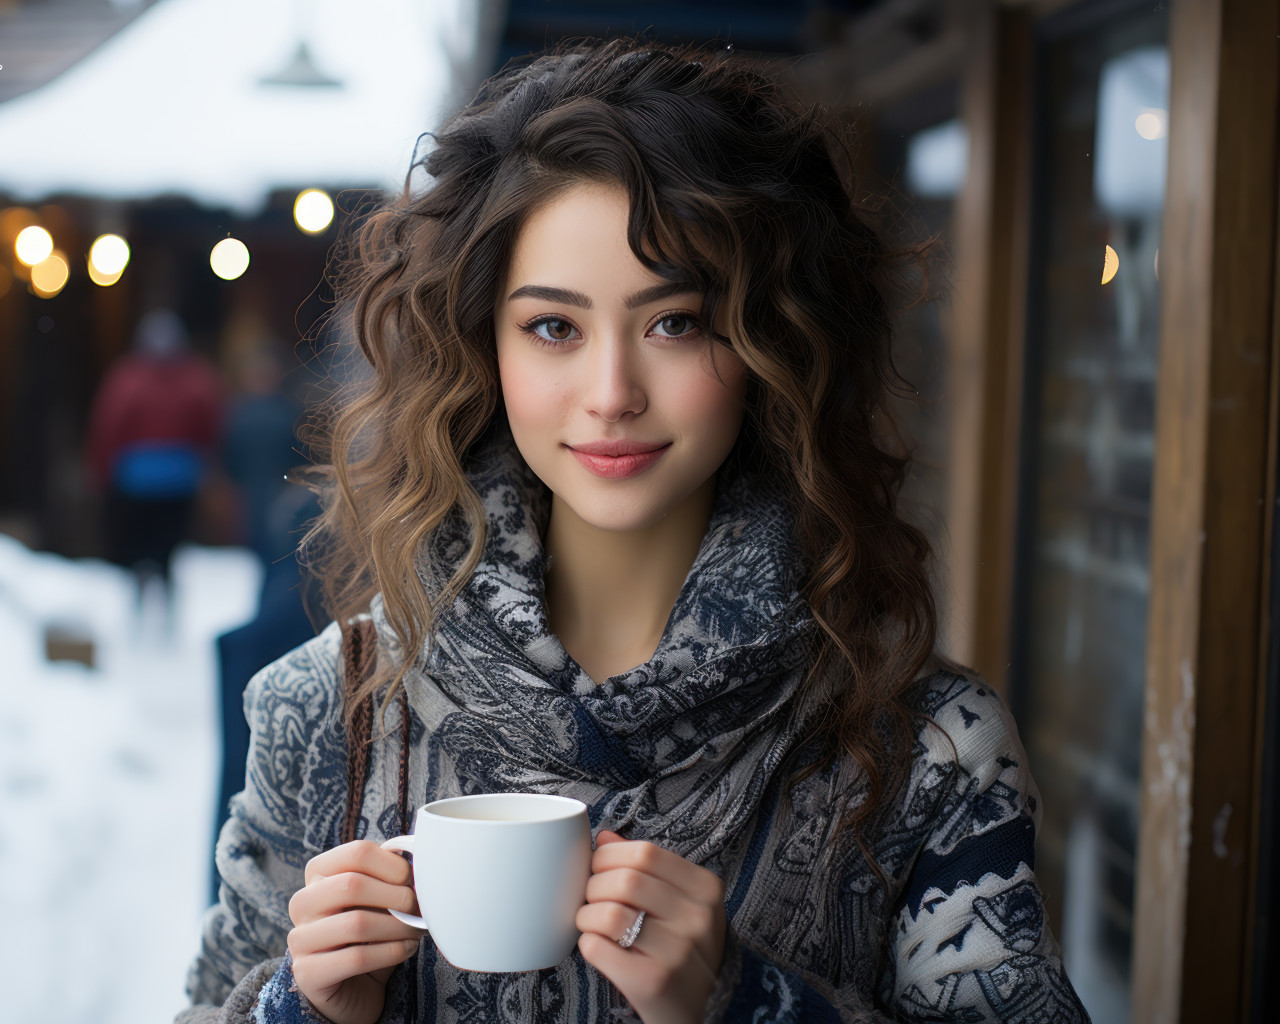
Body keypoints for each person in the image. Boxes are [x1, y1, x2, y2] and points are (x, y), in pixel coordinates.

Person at [179, 37, 1091, 1024]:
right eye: (553, 327)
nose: (611, 394)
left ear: (769, 341)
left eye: (675, 322)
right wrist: (298, 1009)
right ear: (482, 345)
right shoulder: (328, 713)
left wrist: (748, 1005)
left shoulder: (925, 748)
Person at [86, 308, 223, 617]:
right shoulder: (196, 377)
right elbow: (209, 424)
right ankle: (165, 590)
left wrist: (101, 470)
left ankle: (140, 591)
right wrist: (205, 462)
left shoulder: (126, 378)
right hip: (179, 476)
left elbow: (109, 425)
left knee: (138, 542)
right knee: (169, 543)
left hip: (136, 477)